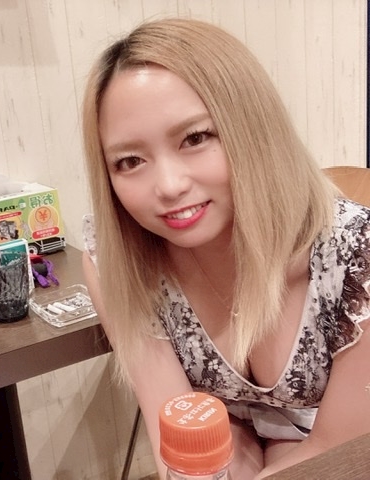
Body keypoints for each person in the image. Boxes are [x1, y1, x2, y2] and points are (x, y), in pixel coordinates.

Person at [81, 18, 370, 479]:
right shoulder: (118, 259)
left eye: (195, 138)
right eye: (130, 160)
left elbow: (338, 448)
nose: (169, 186)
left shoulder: (355, 255)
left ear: (254, 129)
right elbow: (173, 432)